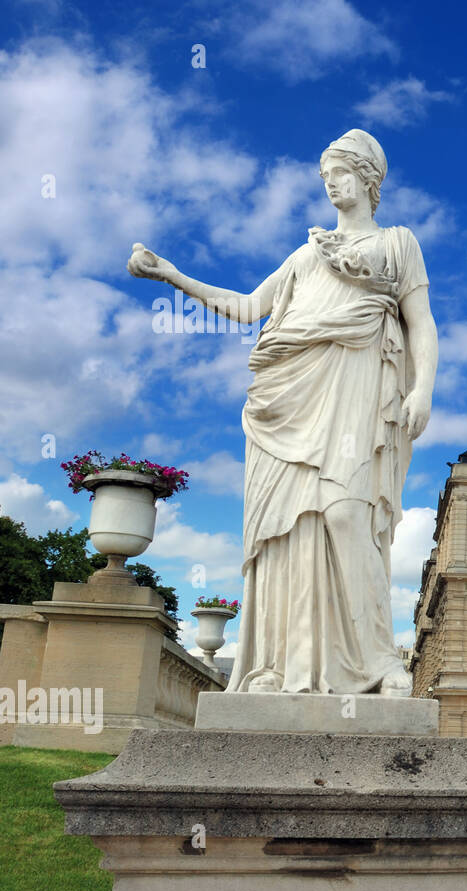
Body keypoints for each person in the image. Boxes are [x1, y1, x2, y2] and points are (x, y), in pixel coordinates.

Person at [130, 129, 437, 696]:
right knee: (288, 530)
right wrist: (171, 276)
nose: (330, 184)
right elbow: (248, 307)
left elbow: (421, 321)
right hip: (289, 399)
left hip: (358, 385)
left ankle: (379, 662)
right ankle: (280, 666)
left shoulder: (397, 243)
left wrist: (423, 390)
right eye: (324, 177)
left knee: (348, 514)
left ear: (369, 177)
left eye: (340, 173)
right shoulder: (305, 254)